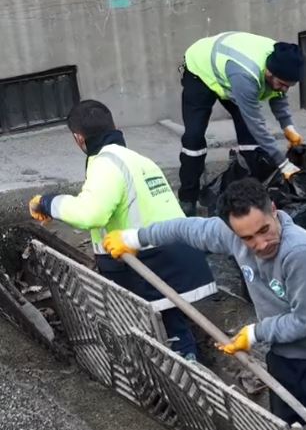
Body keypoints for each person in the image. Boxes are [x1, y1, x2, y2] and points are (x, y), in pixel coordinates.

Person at [101, 178, 306, 430]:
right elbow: (185, 228)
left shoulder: (299, 253)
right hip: (284, 357)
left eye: (264, 230)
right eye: (247, 238)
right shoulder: (233, 234)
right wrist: (135, 238)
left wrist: (255, 333)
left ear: (274, 210)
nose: (260, 244)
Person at [29, 100, 216, 360]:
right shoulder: (137, 159)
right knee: (174, 331)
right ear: (114, 127)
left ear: (78, 138)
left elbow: (90, 214)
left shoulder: (105, 164)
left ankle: (175, 375)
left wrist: (48, 202)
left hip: (149, 264)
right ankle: (188, 365)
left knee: (150, 337)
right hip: (181, 259)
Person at [178, 32, 306, 215]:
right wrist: (283, 163)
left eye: (289, 86)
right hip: (202, 71)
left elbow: (278, 96)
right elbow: (256, 124)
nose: (285, 89)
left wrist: (289, 127)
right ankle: (187, 200)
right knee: (193, 139)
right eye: (282, 83)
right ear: (269, 72)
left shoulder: (282, 59)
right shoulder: (246, 77)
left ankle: (249, 199)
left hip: (231, 77)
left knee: (251, 144)